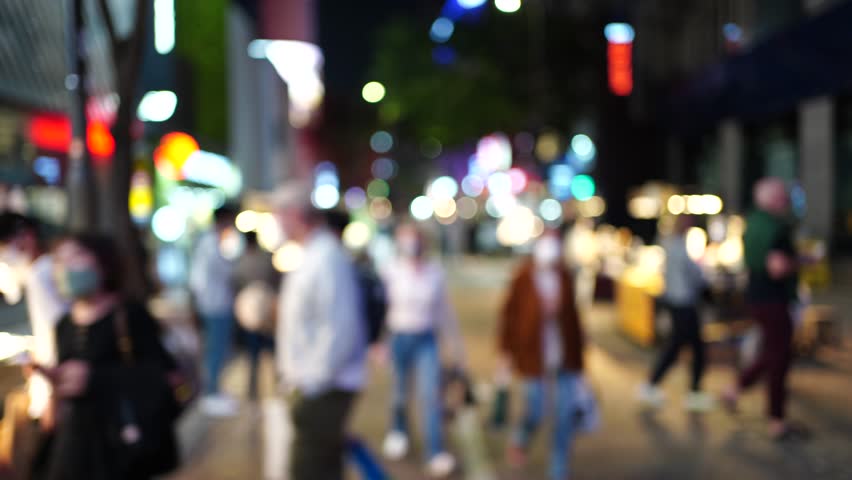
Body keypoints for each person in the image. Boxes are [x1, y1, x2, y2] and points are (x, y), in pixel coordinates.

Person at [31, 234, 178, 480]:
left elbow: (167, 376)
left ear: (103, 263)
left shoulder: (130, 315)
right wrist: (54, 384)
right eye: (59, 260)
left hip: (119, 443)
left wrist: (96, 378)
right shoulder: (63, 325)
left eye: (75, 257)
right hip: (74, 442)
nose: (65, 268)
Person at [272, 182, 368, 480]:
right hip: (315, 383)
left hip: (324, 386)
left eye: (279, 215)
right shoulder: (313, 254)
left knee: (309, 468)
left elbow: (340, 327)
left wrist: (313, 381)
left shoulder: (325, 257)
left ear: (295, 215)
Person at [498, 230, 585, 480]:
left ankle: (559, 468)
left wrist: (579, 361)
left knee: (564, 416)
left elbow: (573, 320)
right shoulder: (523, 277)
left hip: (563, 358)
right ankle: (521, 437)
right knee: (535, 410)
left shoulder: (564, 277)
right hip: (532, 358)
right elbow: (510, 317)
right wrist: (506, 354)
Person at [379, 223, 464, 479]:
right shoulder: (391, 270)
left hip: (426, 338)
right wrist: (379, 343)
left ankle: (435, 451)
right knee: (399, 392)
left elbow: (444, 313)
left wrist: (456, 349)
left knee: (430, 395)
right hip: (398, 337)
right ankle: (398, 432)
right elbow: (381, 310)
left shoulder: (435, 272)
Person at [723, 178, 799, 440]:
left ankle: (737, 388)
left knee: (772, 352)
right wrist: (801, 263)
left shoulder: (752, 223)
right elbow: (777, 267)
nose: (785, 199)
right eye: (780, 195)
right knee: (779, 356)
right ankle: (776, 417)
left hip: (756, 296)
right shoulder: (776, 227)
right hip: (774, 298)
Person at [639, 216, 713, 411]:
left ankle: (689, 389)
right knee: (683, 346)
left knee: (687, 346)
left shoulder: (670, 244)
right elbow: (693, 274)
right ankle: (661, 386)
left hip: (676, 300)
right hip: (684, 302)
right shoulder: (679, 246)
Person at [0, 213, 68, 424]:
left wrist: (52, 395)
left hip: (55, 386)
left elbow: (58, 329)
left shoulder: (41, 273)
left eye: (4, 248)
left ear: (27, 237)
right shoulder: (40, 271)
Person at [190, 206, 239, 417]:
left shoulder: (213, 242)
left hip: (215, 304)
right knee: (215, 350)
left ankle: (214, 390)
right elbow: (200, 279)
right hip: (214, 305)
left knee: (217, 349)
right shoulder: (210, 244)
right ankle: (210, 393)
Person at [233, 231, 278, 400]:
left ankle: (253, 391)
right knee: (271, 352)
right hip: (264, 311)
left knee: (254, 355)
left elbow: (235, 285)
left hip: (251, 313)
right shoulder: (265, 258)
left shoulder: (240, 261)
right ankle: (276, 388)